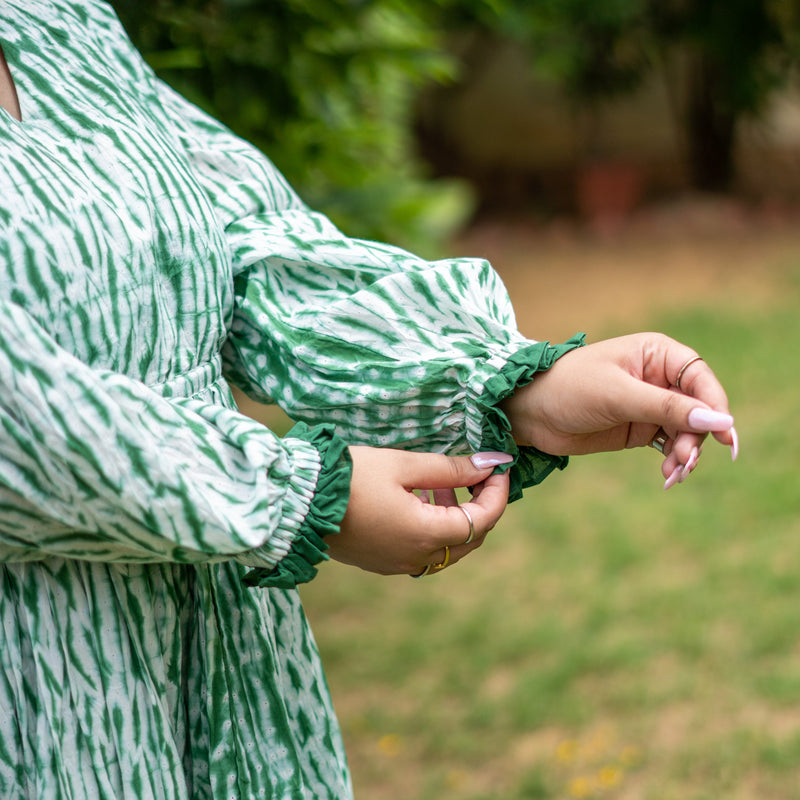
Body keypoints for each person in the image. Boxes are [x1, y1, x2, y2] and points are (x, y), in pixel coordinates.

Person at [0, 1, 737, 798]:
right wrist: (289, 496)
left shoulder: (57, 23)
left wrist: (515, 381)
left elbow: (249, 247)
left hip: (213, 657)